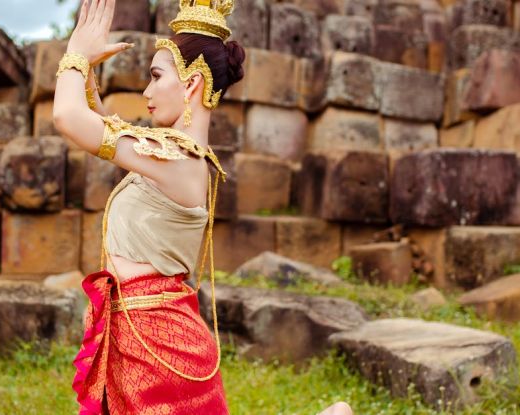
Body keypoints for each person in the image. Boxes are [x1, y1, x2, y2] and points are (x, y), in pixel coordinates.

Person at [53, 1, 354, 414]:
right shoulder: (166, 156)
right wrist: (86, 70)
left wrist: (76, 52)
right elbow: (96, 121)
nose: (147, 92)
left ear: (192, 83)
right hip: (145, 335)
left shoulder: (176, 159)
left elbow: (68, 117)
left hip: (158, 345)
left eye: (156, 76)